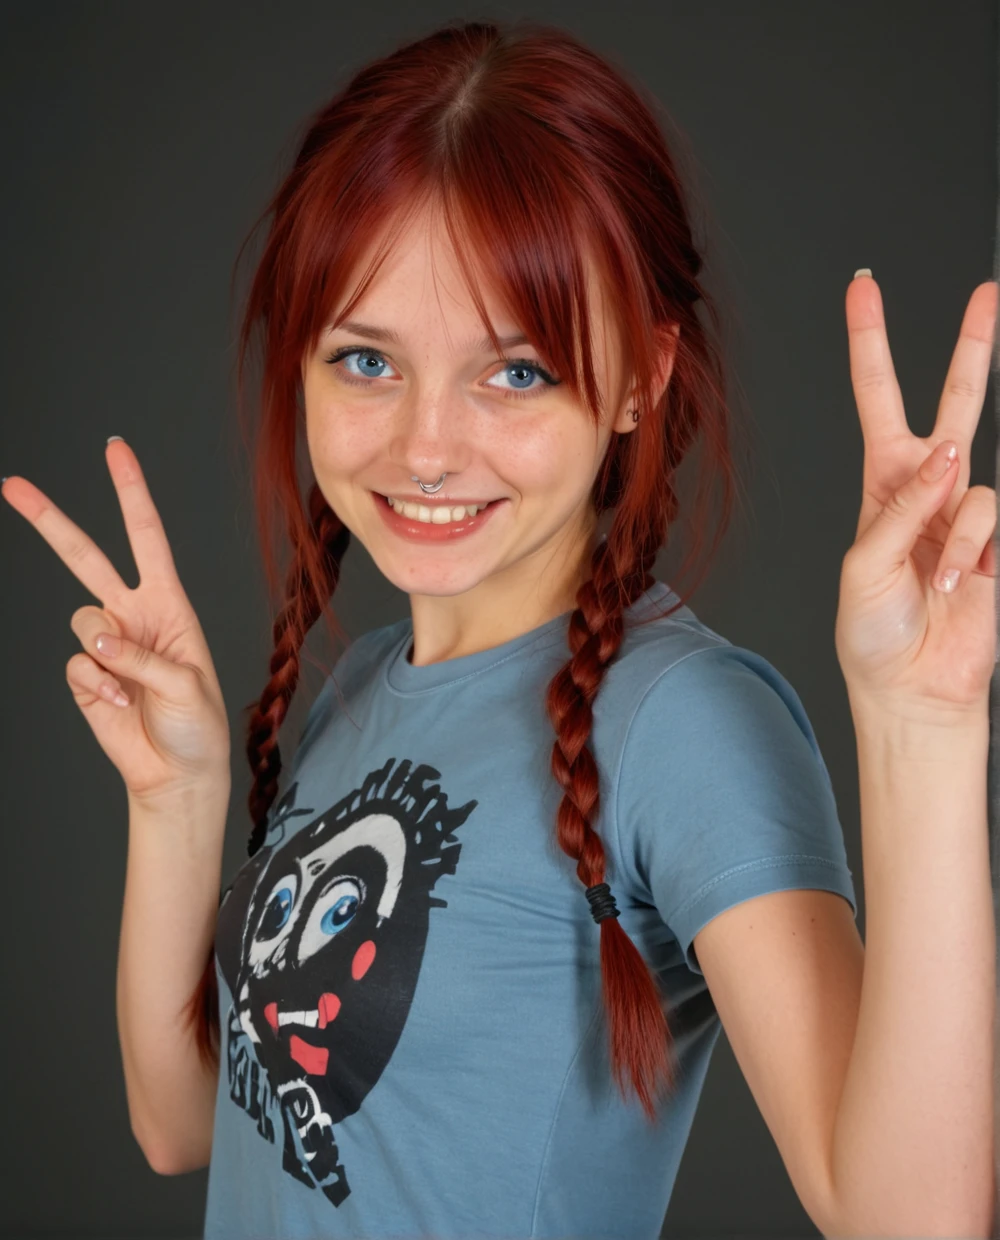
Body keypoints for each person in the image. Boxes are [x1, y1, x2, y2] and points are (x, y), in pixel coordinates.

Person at [4, 18, 996, 1240]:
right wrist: (178, 802)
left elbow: (910, 1222)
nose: (425, 446)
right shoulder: (363, 688)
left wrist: (923, 722)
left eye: (514, 371)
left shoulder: (682, 722)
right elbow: (188, 1123)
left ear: (640, 375)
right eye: (366, 360)